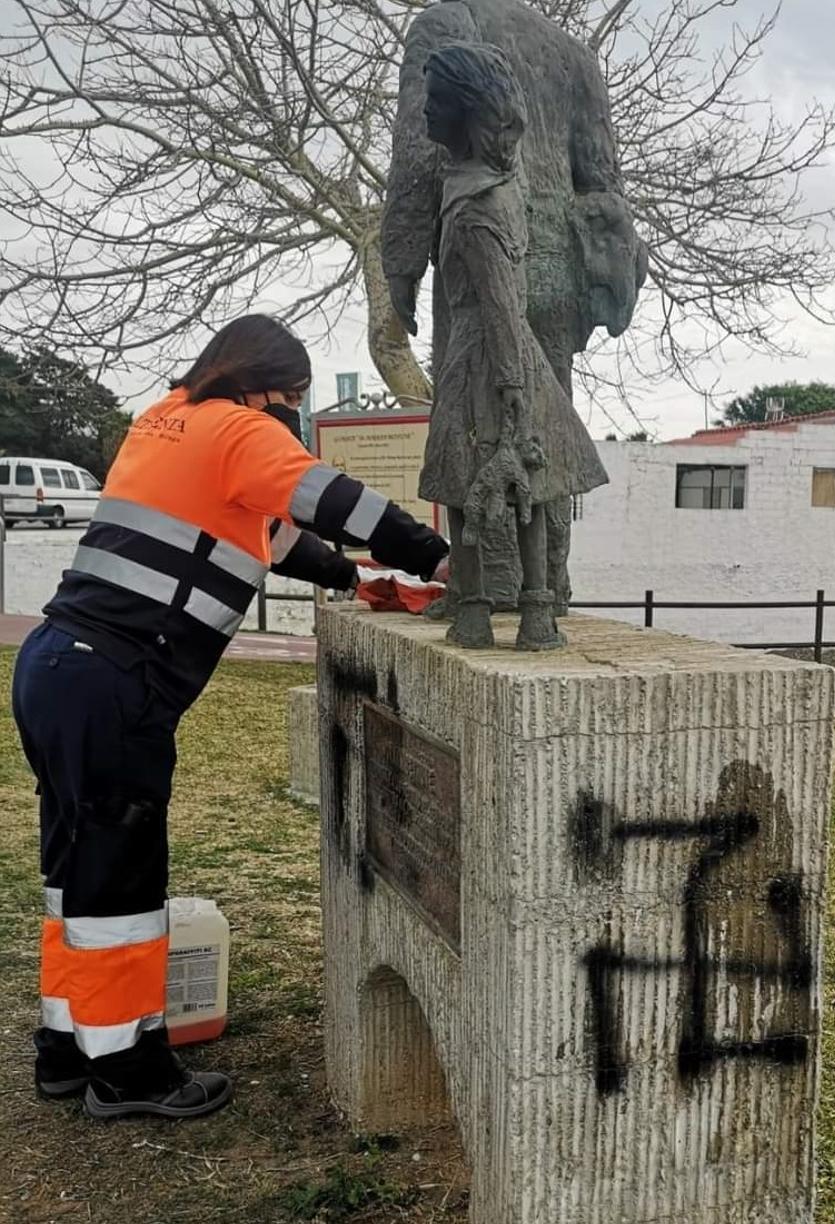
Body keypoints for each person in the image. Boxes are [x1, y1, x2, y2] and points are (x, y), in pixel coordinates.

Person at [13, 315, 449, 1121]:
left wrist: (360, 584)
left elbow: (276, 538)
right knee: (120, 883)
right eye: (289, 398)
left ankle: (68, 1051)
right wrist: (439, 557)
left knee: (75, 868)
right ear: (257, 384)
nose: (289, 414)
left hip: (53, 666)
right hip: (115, 678)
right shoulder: (237, 428)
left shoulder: (165, 422)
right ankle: (130, 1075)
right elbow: (332, 501)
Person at [416, 43, 606, 650]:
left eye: (434, 103)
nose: (424, 114)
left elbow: (500, 302)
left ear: (464, 115)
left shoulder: (479, 206)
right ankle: (516, 612)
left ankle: (508, 612)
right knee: (520, 478)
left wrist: (512, 390)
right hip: (499, 345)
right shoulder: (483, 188)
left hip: (490, 350)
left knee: (494, 475)